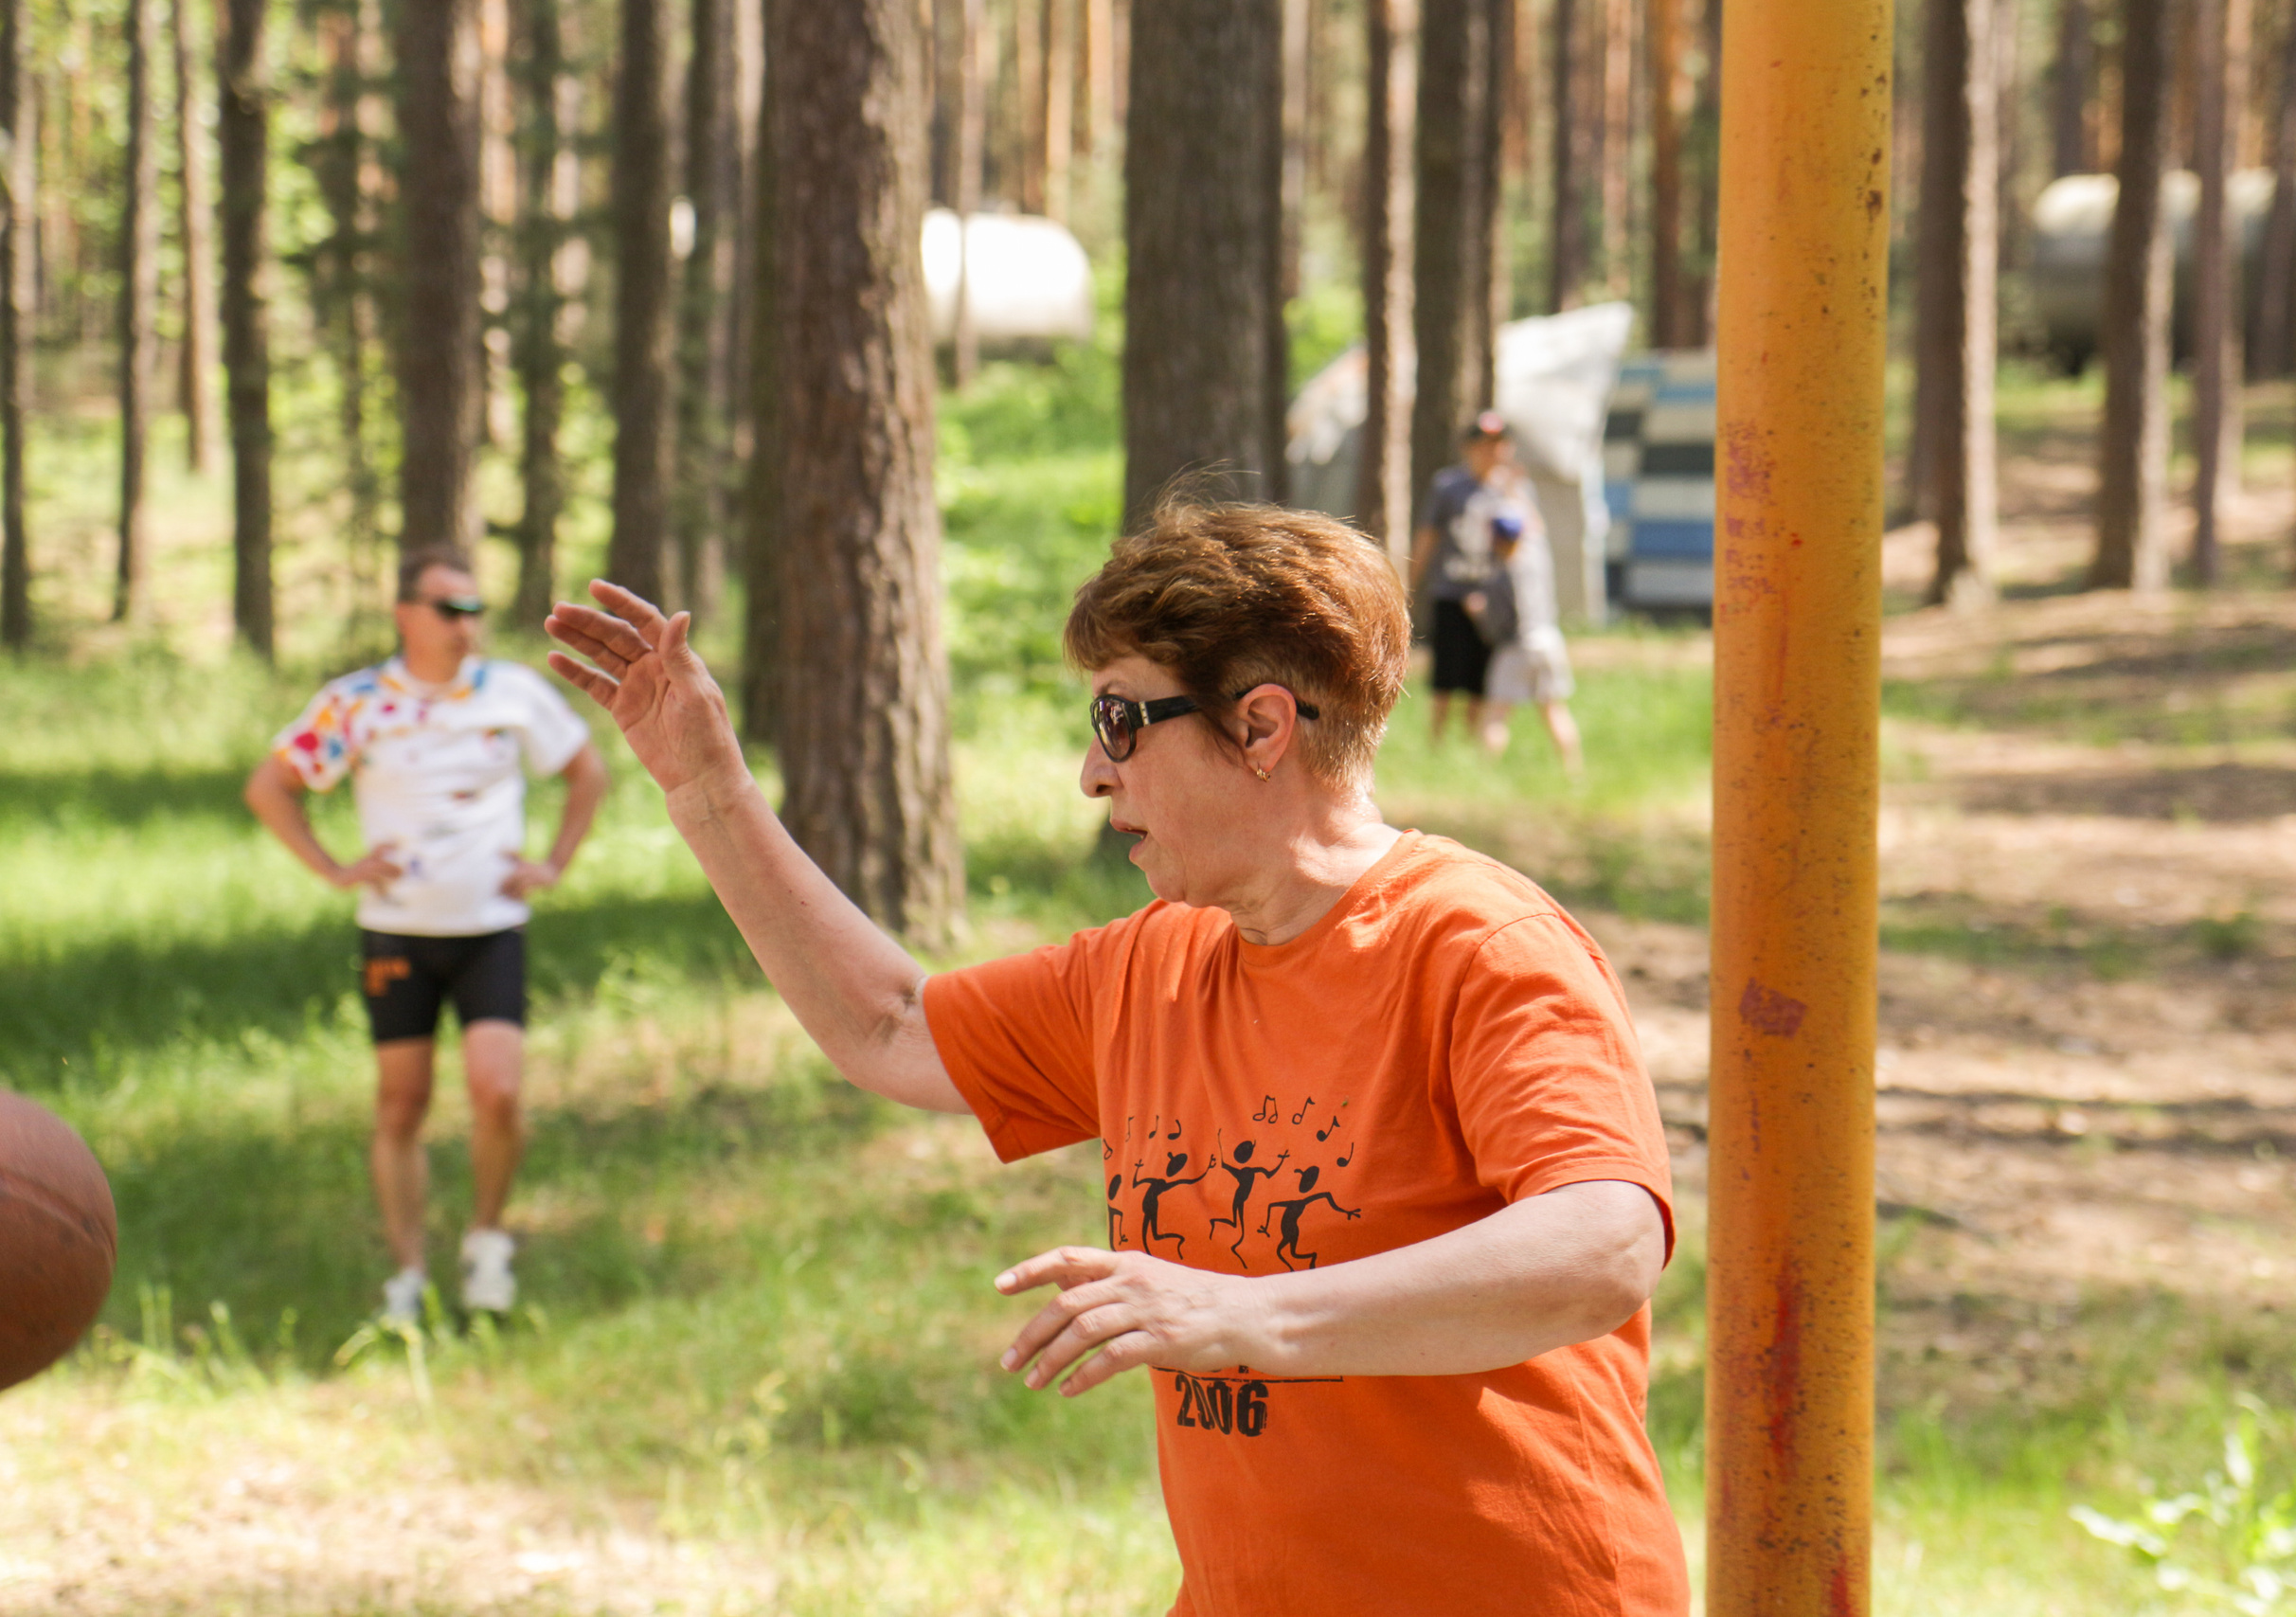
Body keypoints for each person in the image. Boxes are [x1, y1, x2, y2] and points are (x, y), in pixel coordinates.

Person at [543, 498, 1688, 1616]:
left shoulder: (1479, 944)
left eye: (1121, 722)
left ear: (1259, 727)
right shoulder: (1150, 964)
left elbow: (1603, 1242)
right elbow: (888, 1028)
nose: (1095, 775)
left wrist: (1249, 1317)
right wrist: (706, 789)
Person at [244, 546, 607, 1321]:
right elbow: (271, 786)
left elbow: (588, 771)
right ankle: (407, 1272)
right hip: (397, 935)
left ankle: (487, 1241)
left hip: (490, 929)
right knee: (401, 1105)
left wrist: (554, 862)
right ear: (405, 615)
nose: (464, 623)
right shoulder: (358, 703)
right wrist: (334, 868)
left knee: (497, 1090)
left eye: (474, 607)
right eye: (448, 607)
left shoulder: (510, 693)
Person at [1408, 410, 1535, 746]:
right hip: (1451, 590)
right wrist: (1408, 581)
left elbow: (1531, 540)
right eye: (1483, 445)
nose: (1491, 452)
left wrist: (1515, 493)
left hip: (1491, 595)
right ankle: (1435, 742)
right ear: (1468, 448)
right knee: (1446, 675)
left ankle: (1469, 742)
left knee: (1482, 676)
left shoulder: (1514, 489)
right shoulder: (1448, 486)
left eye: (1498, 444)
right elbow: (1428, 536)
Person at [1466, 506, 1585, 777]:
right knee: (1554, 709)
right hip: (1549, 639)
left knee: (1497, 713)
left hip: (1516, 646)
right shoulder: (1538, 559)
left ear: (1496, 539)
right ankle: (1573, 772)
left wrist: (1478, 613)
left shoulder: (1496, 578)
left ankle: (1484, 773)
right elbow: (1537, 529)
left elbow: (1494, 628)